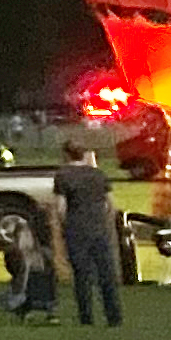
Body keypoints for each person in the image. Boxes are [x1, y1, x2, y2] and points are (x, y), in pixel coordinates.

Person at [55, 137, 124, 329]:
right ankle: (114, 317)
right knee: (106, 274)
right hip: (99, 229)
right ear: (84, 154)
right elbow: (110, 204)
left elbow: (61, 207)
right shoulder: (98, 174)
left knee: (82, 275)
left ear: (66, 154)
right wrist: (103, 222)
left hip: (76, 228)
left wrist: (64, 226)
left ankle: (86, 317)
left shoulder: (63, 175)